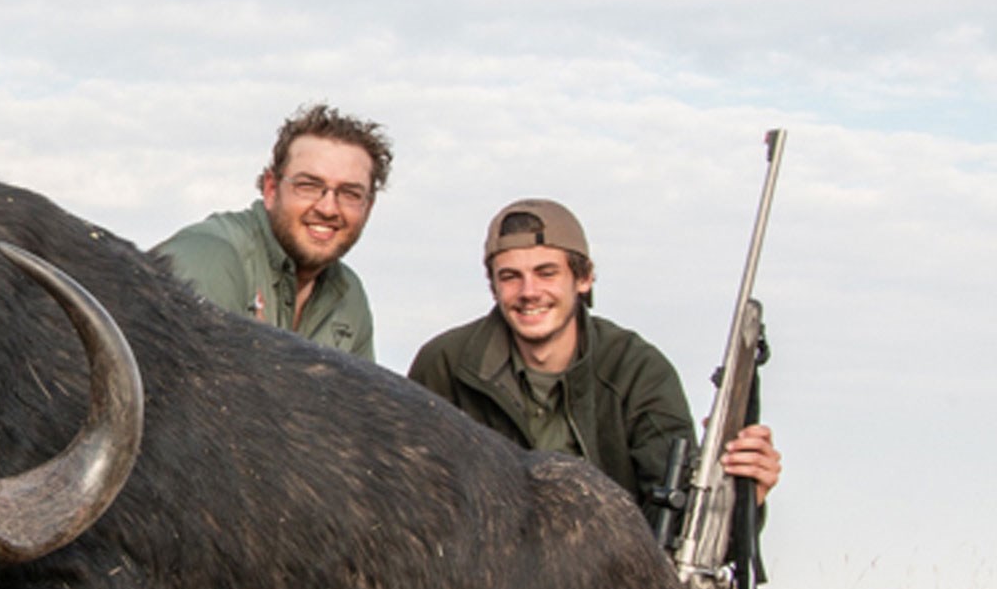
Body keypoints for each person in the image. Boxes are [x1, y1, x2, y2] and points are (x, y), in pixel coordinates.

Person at [407, 198, 781, 519]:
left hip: (614, 580)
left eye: (546, 273)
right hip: (481, 582)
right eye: (510, 277)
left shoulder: (638, 369)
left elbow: (680, 523)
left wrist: (746, 498)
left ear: (583, 278)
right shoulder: (445, 364)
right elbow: (411, 498)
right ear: (493, 286)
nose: (529, 292)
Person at [153, 104, 393, 360]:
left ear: (368, 206)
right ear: (271, 188)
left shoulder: (349, 296)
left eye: (350, 194)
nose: (328, 208)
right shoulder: (209, 257)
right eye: (308, 186)